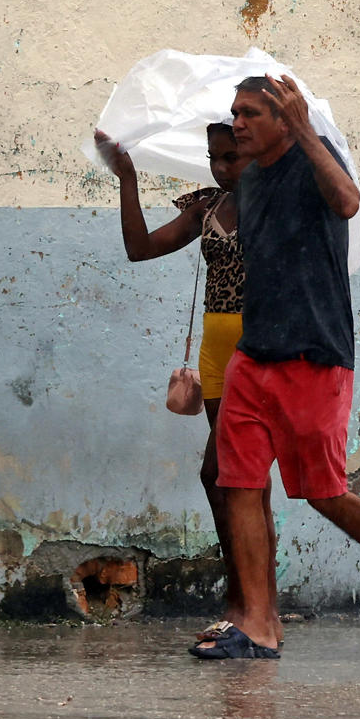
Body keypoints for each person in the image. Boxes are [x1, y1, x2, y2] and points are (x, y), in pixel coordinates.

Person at [193, 74, 360, 660]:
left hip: (316, 355)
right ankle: (258, 625)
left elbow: (348, 202)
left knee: (322, 492)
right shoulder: (248, 182)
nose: (238, 123)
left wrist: (307, 133)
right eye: (234, 112)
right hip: (255, 356)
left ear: (283, 120)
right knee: (238, 485)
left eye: (250, 113)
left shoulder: (311, 162)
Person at [92, 122, 273, 645]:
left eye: (231, 157)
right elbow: (140, 249)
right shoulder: (208, 207)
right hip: (215, 356)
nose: (221, 167)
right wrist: (127, 178)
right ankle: (253, 605)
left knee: (228, 477)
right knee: (239, 483)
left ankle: (250, 607)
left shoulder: (277, 209)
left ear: (256, 154)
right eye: (214, 157)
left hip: (255, 351)